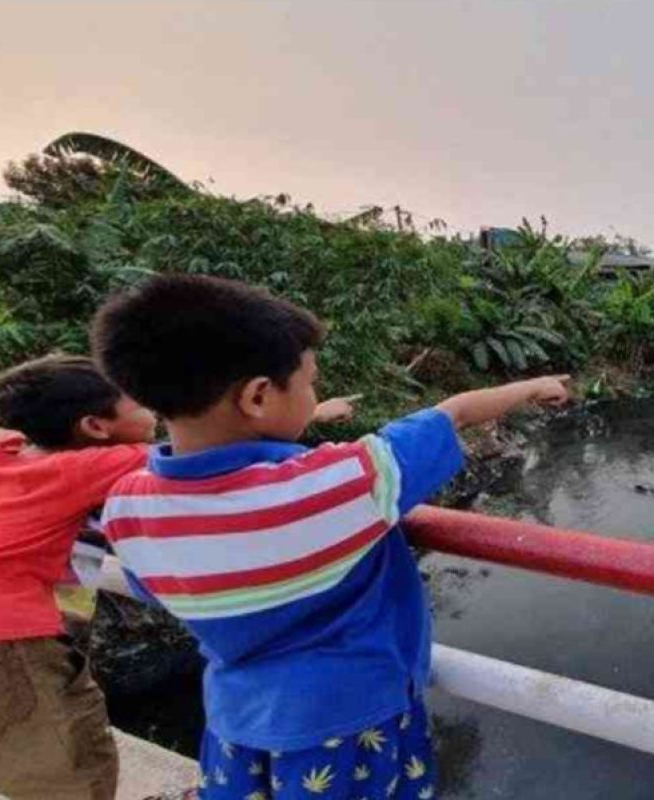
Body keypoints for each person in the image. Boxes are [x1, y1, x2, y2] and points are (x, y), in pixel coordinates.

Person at [91, 274, 569, 800]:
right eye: (310, 382)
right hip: (350, 728)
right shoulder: (334, 485)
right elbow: (447, 414)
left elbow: (152, 584)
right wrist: (530, 388)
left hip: (238, 723)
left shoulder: (128, 504)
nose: (314, 392)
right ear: (256, 395)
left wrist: (311, 416)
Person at [0, 355, 157, 800]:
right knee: (71, 763)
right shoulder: (80, 469)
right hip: (13, 644)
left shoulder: (10, 453)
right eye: (139, 397)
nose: (155, 404)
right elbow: (196, 451)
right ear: (95, 426)